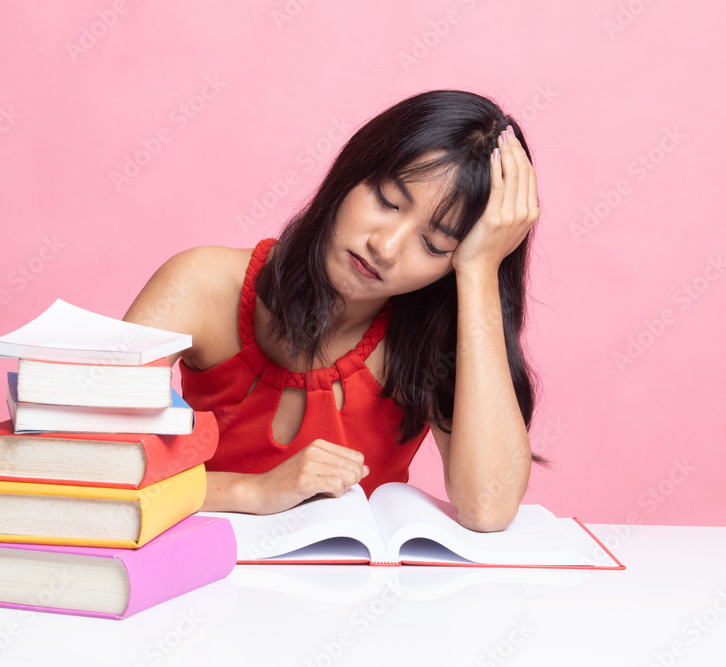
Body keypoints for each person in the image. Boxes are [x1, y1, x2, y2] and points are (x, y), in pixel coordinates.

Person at [123, 89, 545, 532]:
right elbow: (86, 459)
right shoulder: (203, 284)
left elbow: (489, 507)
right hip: (205, 585)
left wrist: (478, 272)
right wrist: (255, 491)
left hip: (361, 593)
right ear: (353, 171)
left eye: (434, 244)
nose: (385, 247)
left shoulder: (431, 338)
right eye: (386, 200)